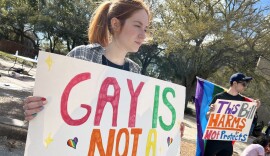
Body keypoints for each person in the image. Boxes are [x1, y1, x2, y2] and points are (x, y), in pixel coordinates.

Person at [22, 0, 185, 135]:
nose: (143, 35)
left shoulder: (135, 72)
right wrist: (34, 108)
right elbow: (51, 105)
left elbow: (136, 121)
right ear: (115, 24)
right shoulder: (82, 56)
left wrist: (170, 129)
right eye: (137, 25)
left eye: (145, 28)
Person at [205, 72, 261, 156]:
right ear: (235, 83)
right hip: (214, 139)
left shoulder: (243, 101)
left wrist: (254, 108)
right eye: (243, 84)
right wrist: (210, 112)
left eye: (246, 84)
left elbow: (245, 121)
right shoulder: (219, 97)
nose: (245, 87)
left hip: (228, 142)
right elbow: (207, 117)